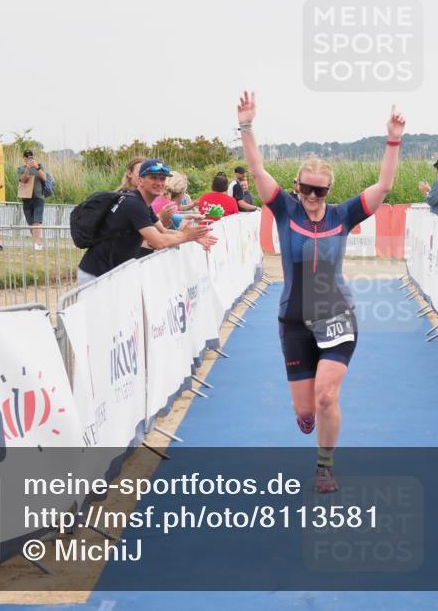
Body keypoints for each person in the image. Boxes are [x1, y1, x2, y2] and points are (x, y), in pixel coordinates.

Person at [237, 90, 405, 493]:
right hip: (293, 320)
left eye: (321, 191)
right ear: (297, 187)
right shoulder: (284, 210)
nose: (314, 197)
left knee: (327, 396)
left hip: (336, 315)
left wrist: (393, 139)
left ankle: (325, 466)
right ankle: (306, 415)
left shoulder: (342, 215)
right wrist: (246, 125)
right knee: (305, 408)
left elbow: (383, 186)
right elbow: (257, 170)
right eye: (308, 189)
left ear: (329, 191)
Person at [76, 159, 213, 285]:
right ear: (140, 180)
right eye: (153, 177)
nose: (159, 183)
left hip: (110, 272)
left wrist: (194, 236)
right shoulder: (134, 204)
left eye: (162, 178)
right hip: (96, 274)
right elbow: (159, 241)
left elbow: (163, 231)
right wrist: (186, 236)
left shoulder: (143, 204)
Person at [17, 149, 49, 251]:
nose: (29, 158)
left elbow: (44, 178)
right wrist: (27, 169)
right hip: (26, 198)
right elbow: (23, 180)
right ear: (24, 158)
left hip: (38, 197)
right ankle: (36, 241)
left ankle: (37, 243)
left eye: (31, 156)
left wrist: (37, 167)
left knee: (37, 221)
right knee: (31, 223)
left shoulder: (40, 166)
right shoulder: (21, 168)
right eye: (27, 157)